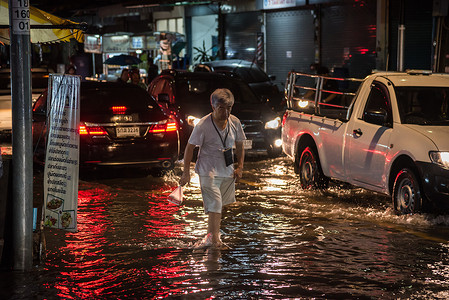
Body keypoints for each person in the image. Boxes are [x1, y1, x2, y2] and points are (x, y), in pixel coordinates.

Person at [179, 88, 246, 249]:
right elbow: (189, 148)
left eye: (229, 108)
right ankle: (215, 241)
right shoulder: (203, 125)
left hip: (226, 171)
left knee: (218, 205)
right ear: (213, 106)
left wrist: (240, 167)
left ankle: (210, 237)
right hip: (207, 171)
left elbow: (240, 144)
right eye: (222, 108)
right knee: (215, 203)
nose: (226, 112)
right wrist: (186, 172)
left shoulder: (235, 122)